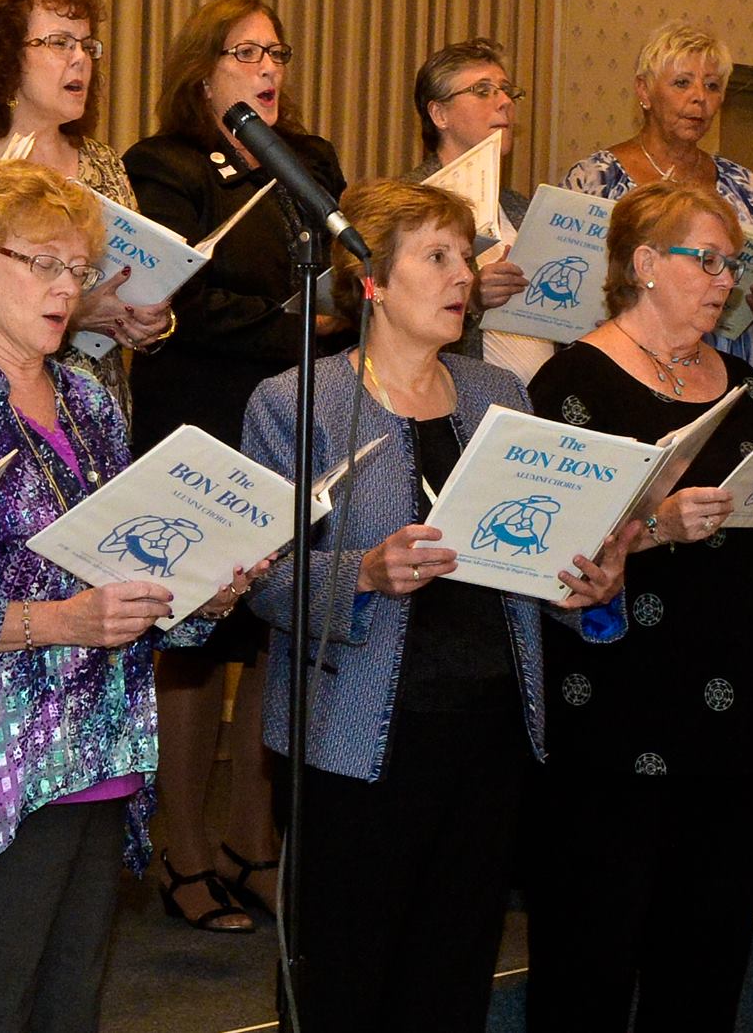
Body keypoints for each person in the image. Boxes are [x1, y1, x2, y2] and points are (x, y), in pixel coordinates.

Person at [0, 161, 253, 1032]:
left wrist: (202, 592)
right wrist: (60, 621)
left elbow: (124, 567)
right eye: (43, 264)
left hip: (102, 747)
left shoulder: (88, 401)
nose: (67, 289)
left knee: (71, 1007)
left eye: (78, 270)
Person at [240, 179, 629, 1031]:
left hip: (489, 732)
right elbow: (261, 581)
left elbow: (529, 561)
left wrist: (587, 587)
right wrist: (364, 573)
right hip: (354, 740)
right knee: (343, 982)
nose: (464, 276)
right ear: (372, 280)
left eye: (466, 257)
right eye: (438, 256)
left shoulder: (500, 394)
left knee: (451, 982)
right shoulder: (297, 400)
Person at [522, 181, 753, 1033]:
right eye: (705, 260)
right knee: (592, 957)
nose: (725, 279)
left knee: (706, 960)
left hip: (737, 716)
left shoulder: (745, 385)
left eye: (731, 263)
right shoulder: (571, 383)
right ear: (643, 264)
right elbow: (540, 554)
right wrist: (655, 527)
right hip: (614, 712)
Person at [121, 0, 346, 931]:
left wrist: (325, 316)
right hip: (202, 423)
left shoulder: (311, 161)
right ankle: (183, 848)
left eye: (276, 52)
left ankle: (255, 844)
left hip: (296, 423)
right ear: (201, 70)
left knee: (271, 634)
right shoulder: (164, 165)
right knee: (194, 644)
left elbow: (347, 275)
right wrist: (312, 322)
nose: (267, 69)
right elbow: (189, 305)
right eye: (245, 52)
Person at [0, 0, 172, 418]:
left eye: (86, 45)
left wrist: (152, 322)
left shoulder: (104, 164)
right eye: (59, 43)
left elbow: (135, 284)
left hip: (98, 408)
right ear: (7, 58)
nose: (80, 59)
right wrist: (77, 312)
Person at [559, 20, 753, 367]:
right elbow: (564, 288)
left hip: (724, 366)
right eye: (682, 83)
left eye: (712, 86)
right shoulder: (595, 179)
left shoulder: (742, 184)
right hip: (620, 365)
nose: (700, 97)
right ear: (644, 91)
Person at [403, 38, 547, 383]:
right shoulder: (408, 204)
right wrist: (471, 298)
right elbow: (388, 314)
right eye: (482, 91)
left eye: (506, 90)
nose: (505, 102)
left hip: (539, 400)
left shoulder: (521, 207)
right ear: (439, 114)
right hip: (456, 396)